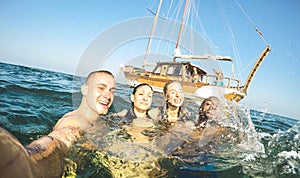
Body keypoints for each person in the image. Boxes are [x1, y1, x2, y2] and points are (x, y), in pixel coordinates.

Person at [0, 70, 116, 178]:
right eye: (101, 88)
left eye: (112, 90)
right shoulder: (73, 122)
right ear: (85, 90)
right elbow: (58, 140)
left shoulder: (102, 120)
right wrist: (29, 162)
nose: (108, 95)